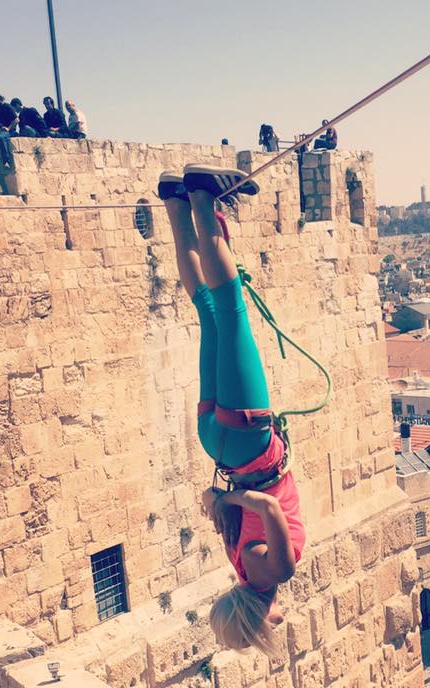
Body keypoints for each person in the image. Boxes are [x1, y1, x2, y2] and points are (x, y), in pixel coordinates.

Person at [158, 164, 306, 656]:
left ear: (260, 618)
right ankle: (177, 206)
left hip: (251, 445)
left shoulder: (276, 572)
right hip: (215, 442)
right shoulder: (238, 566)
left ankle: (203, 197)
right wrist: (219, 501)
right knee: (207, 311)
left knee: (231, 307)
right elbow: (208, 499)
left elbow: (265, 506)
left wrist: (232, 501)